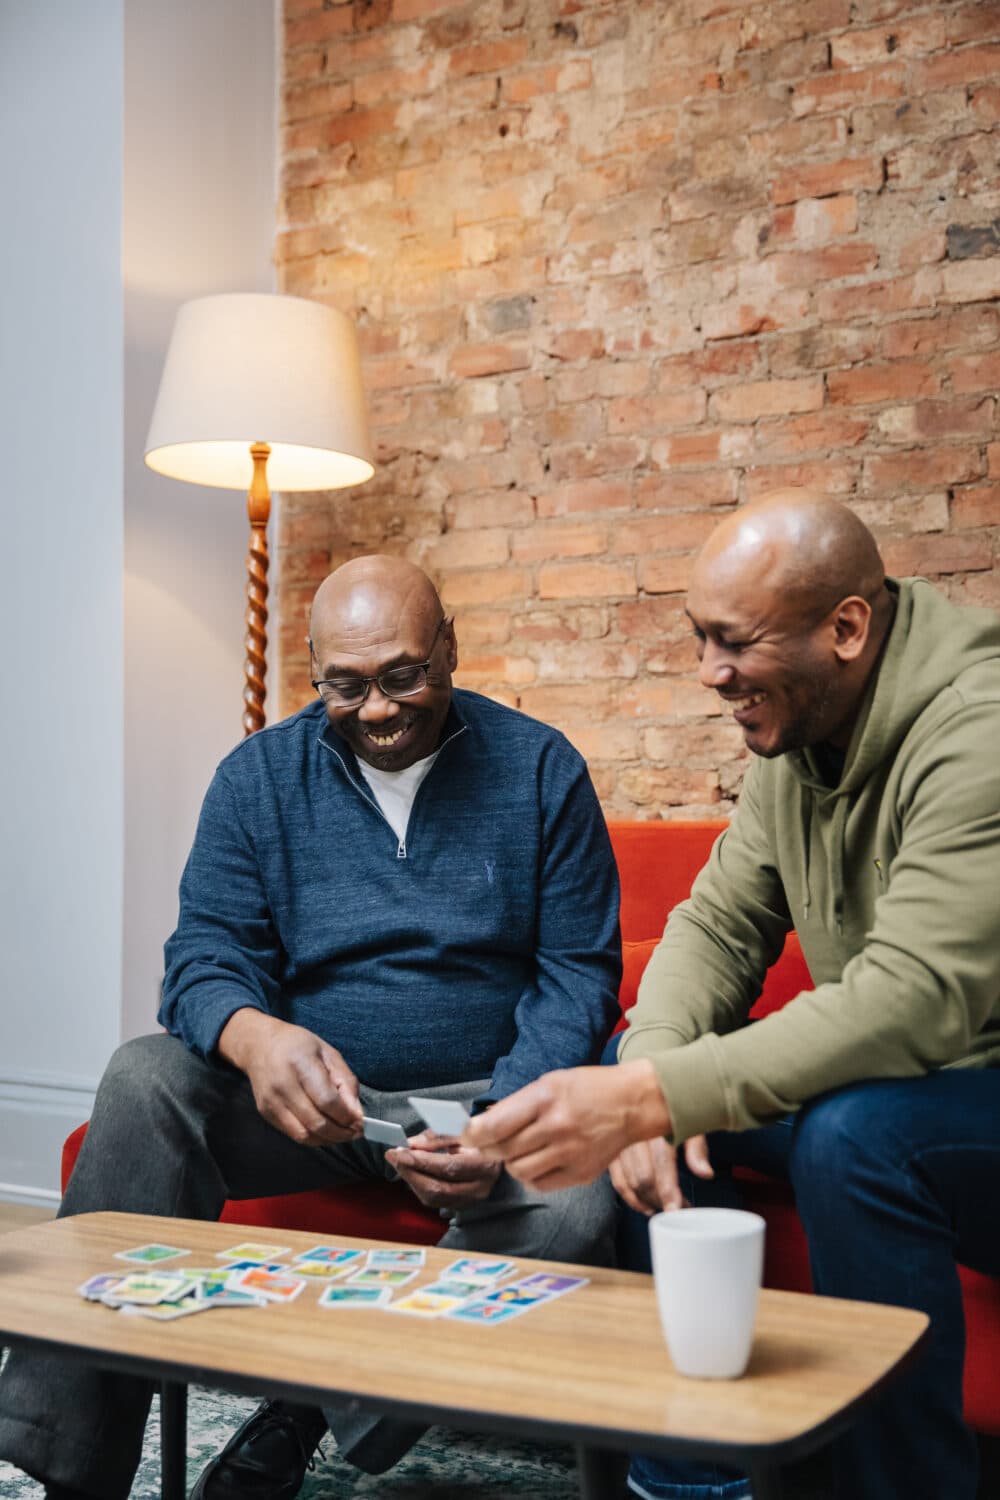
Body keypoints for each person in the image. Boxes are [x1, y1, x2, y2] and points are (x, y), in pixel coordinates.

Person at [0, 555, 622, 1500]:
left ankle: (313, 1406)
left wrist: (499, 1120)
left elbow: (579, 974)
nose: (377, 708)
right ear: (313, 668)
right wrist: (254, 1036)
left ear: (451, 647)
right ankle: (70, 1466)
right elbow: (203, 958)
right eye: (346, 684)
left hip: (485, 1106)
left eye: (405, 675)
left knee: (579, 1204)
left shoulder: (543, 770)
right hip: (318, 1111)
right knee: (144, 1075)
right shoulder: (256, 778)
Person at [465, 494, 1000, 1500]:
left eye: (732, 642)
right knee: (661, 1077)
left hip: (969, 1094)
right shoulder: (801, 737)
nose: (708, 673)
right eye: (697, 639)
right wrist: (647, 1073)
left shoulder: (979, 729)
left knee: (854, 1133)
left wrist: (659, 1094)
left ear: (845, 628)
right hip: (909, 1090)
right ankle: (691, 1478)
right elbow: (713, 929)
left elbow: (915, 998)